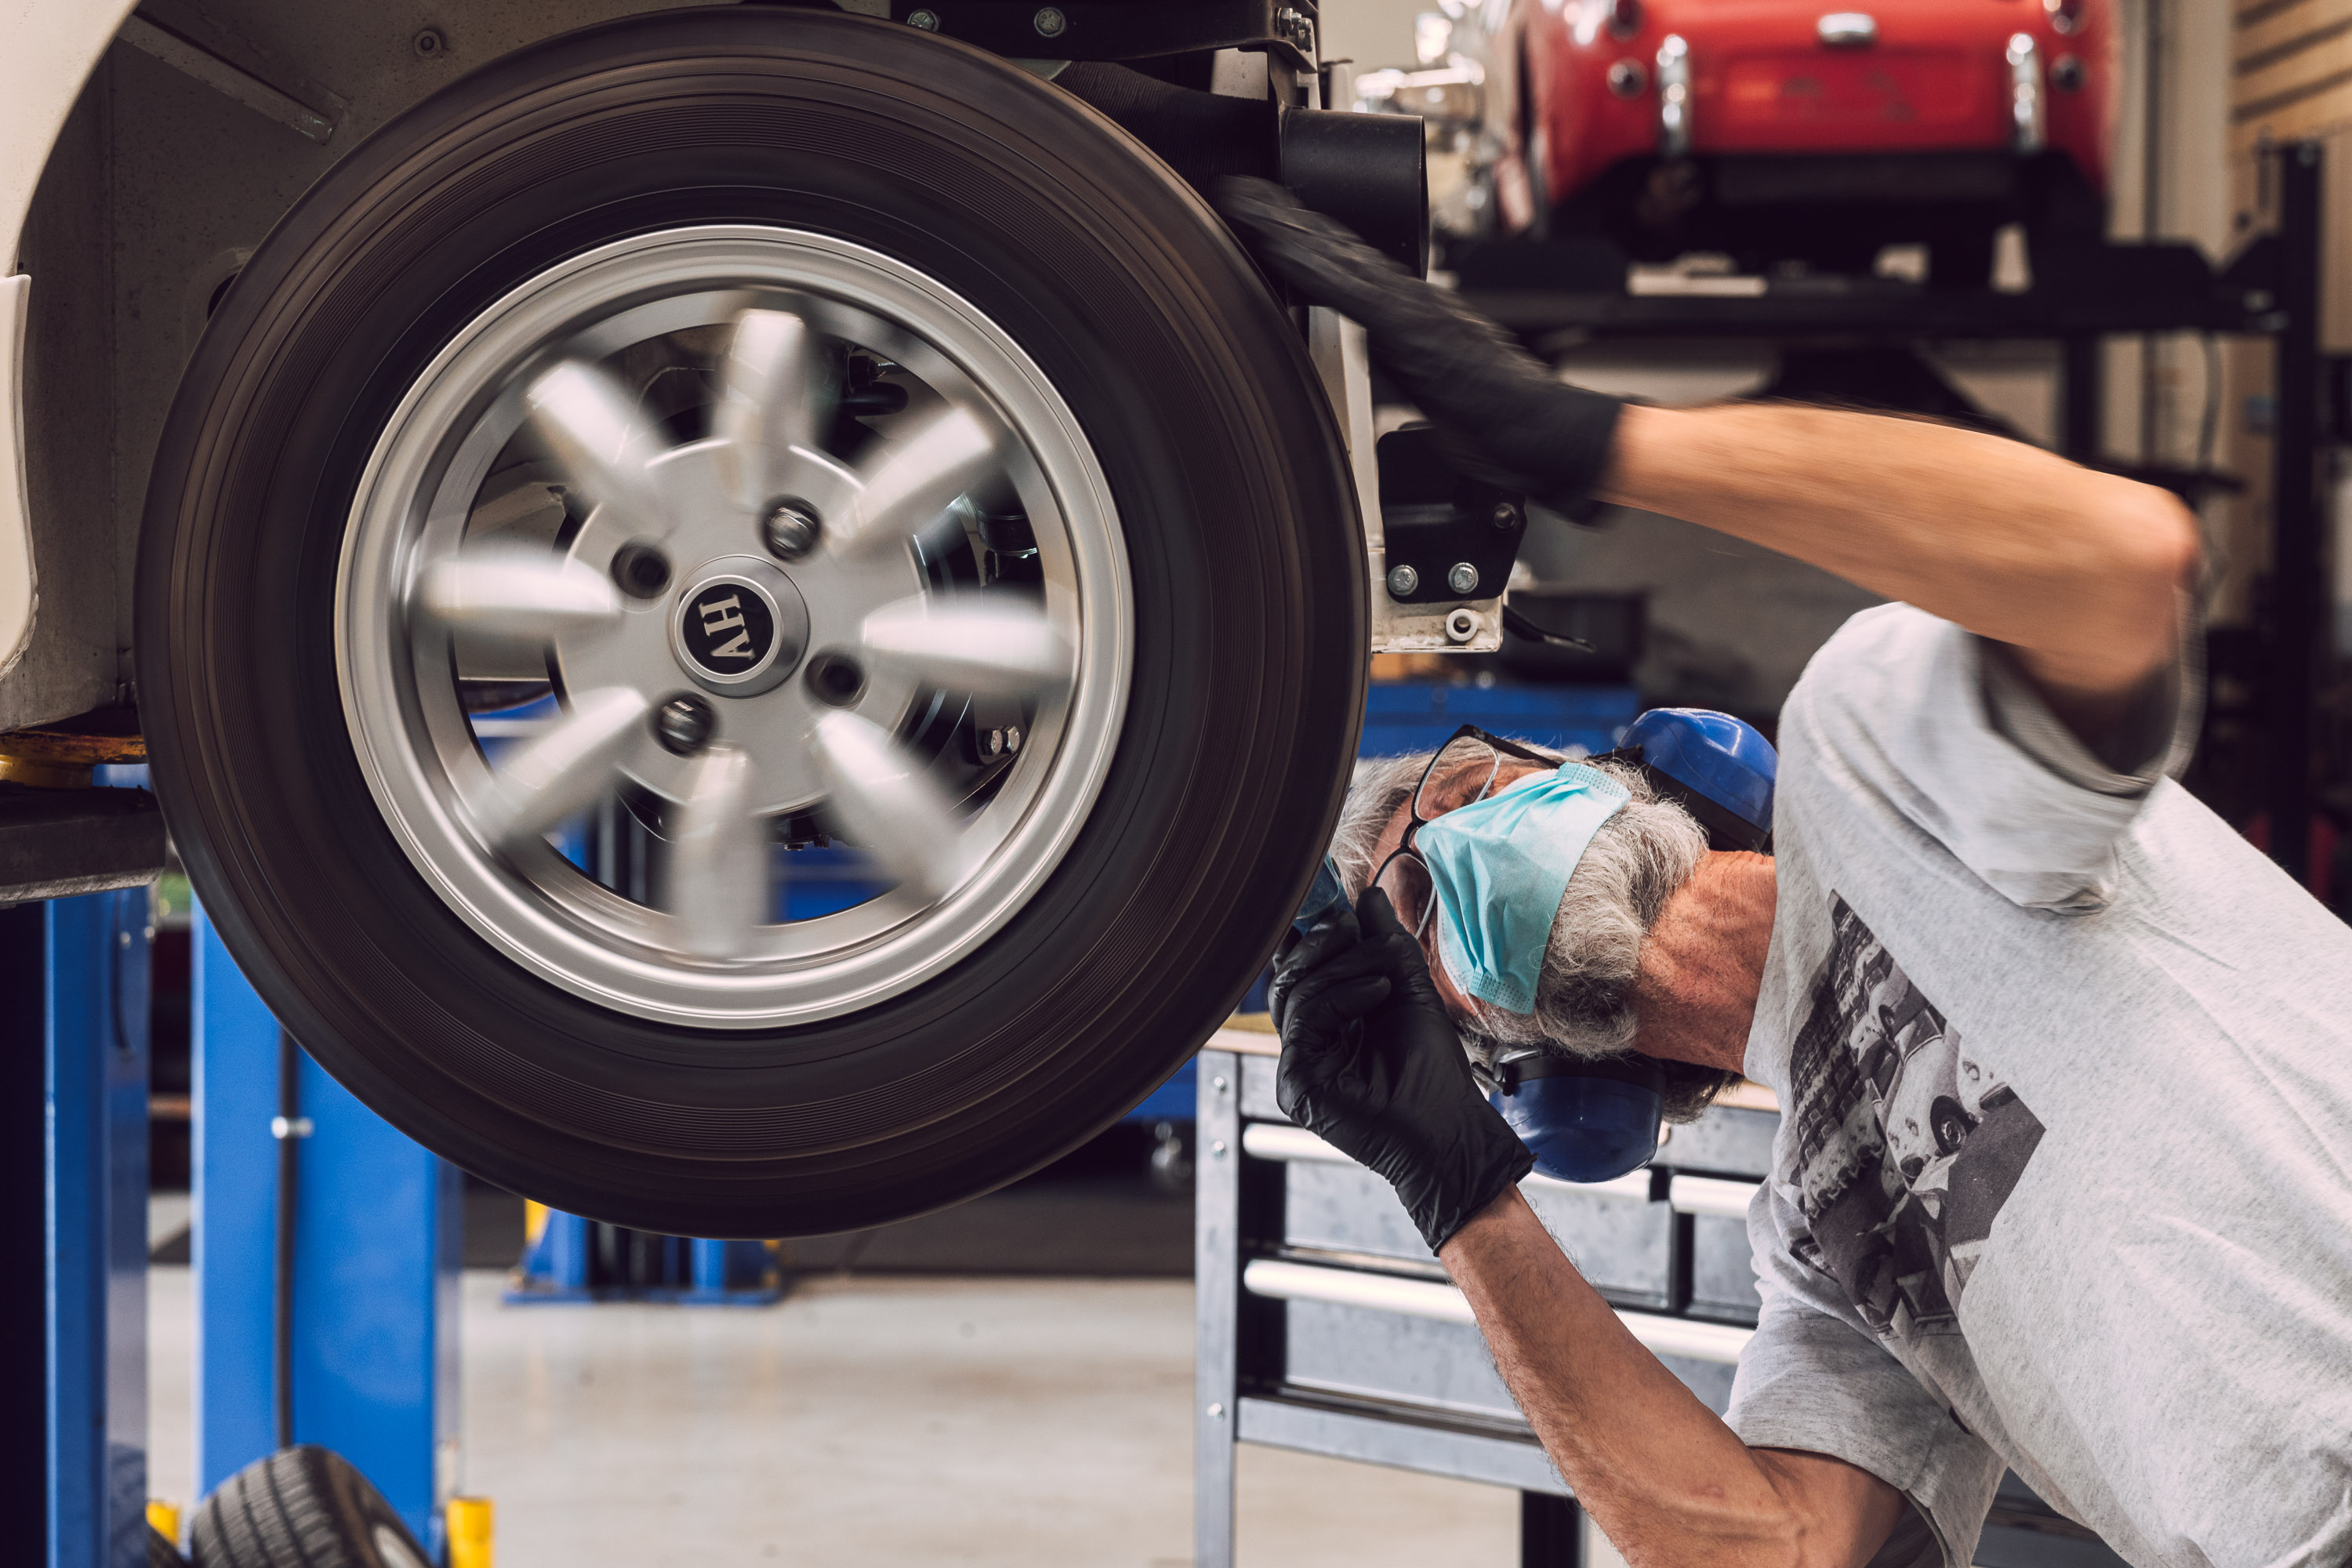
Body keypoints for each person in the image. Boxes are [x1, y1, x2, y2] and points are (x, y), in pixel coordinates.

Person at [1217, 176, 2352, 1568]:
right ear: (1507, 1059)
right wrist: (1459, 1195)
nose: (1445, 857)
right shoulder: (1823, 1253)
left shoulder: (1870, 758)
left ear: (1636, 769)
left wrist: (1584, 437)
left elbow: (2115, 566)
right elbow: (1768, 1554)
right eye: (1411, 915)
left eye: (1465, 793)